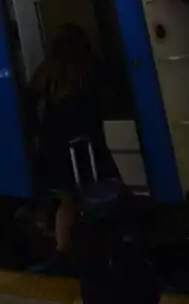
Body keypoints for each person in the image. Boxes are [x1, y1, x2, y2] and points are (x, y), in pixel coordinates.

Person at [30, 23, 119, 262]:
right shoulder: (92, 68)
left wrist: (38, 135)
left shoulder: (46, 71)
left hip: (55, 147)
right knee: (99, 192)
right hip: (88, 144)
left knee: (67, 200)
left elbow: (30, 105)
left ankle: (62, 249)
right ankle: (104, 245)